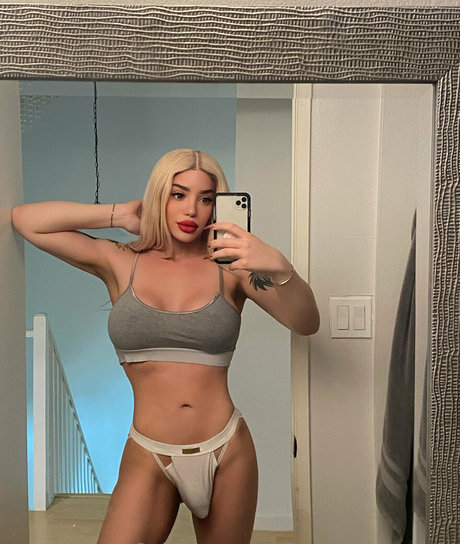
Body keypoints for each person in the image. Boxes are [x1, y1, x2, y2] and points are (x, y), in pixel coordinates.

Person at [12, 148, 320, 544]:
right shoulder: (120, 260)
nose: (192, 209)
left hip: (226, 450)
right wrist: (119, 214)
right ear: (159, 196)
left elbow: (305, 322)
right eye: (178, 194)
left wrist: (280, 267)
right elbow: (26, 221)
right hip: (149, 452)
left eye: (206, 199)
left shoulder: (232, 268)